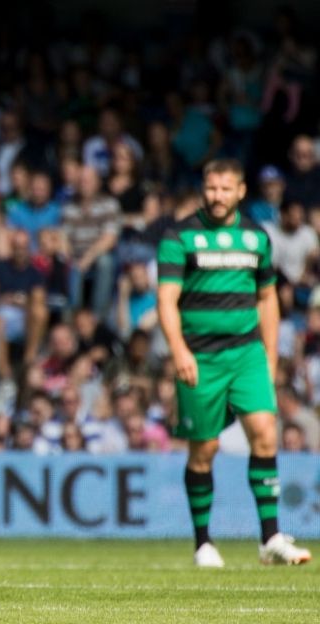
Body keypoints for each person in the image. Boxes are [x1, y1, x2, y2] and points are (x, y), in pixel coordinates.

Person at [157, 158, 311, 568]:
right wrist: (178, 350)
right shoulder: (180, 236)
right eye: (211, 188)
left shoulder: (256, 238)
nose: (217, 196)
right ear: (203, 189)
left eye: (226, 189)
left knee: (264, 432)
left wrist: (270, 354)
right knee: (204, 448)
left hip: (246, 354)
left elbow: (267, 299)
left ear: (241, 192)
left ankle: (270, 538)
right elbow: (167, 299)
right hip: (200, 356)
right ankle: (203, 543)